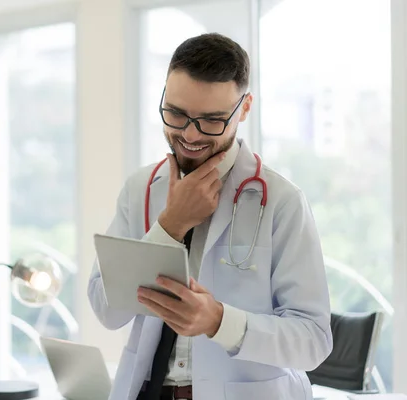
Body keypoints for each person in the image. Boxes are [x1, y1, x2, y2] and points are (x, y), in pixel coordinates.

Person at [87, 33, 332, 400]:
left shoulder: (281, 201)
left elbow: (313, 341)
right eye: (176, 113)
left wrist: (219, 322)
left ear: (244, 108)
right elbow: (107, 310)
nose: (189, 134)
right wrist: (170, 226)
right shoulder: (141, 188)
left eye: (212, 120)